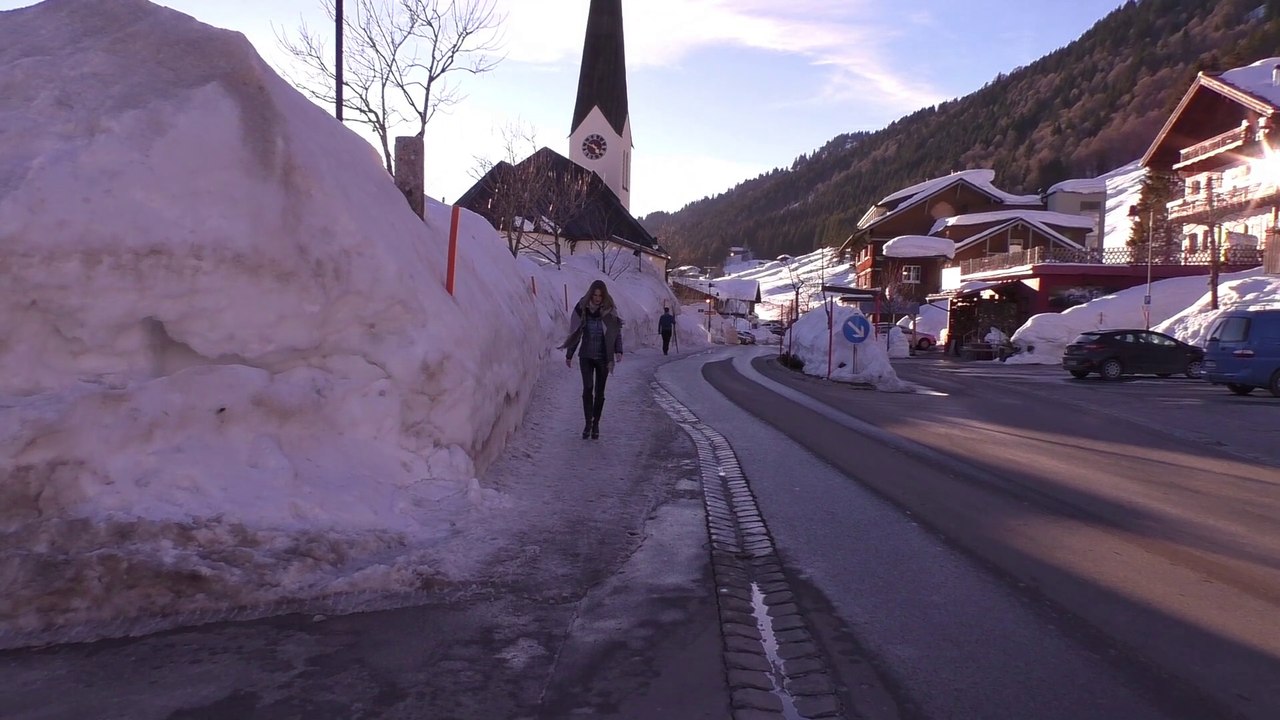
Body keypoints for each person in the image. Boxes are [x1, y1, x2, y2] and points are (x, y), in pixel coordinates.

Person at [560, 280, 624, 439]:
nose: (597, 298)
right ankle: (588, 423)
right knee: (587, 388)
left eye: (600, 295)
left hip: (603, 357)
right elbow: (575, 333)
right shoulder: (583, 308)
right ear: (591, 294)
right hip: (586, 356)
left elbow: (616, 332)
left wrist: (618, 350)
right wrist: (569, 354)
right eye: (595, 295)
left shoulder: (610, 310)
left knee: (600, 392)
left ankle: (596, 424)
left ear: (604, 296)